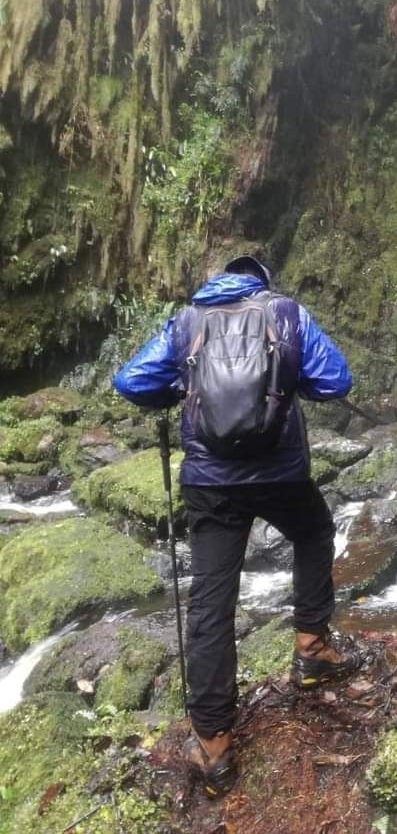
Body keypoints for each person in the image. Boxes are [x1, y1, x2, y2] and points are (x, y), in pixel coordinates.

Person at [113, 255, 362, 798]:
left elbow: (130, 381)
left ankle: (214, 745)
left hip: (210, 482)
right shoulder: (287, 314)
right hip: (279, 473)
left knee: (210, 599)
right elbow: (335, 379)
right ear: (262, 285)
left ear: (218, 283)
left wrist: (178, 388)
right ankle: (312, 648)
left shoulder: (186, 323)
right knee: (314, 531)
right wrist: (288, 384)